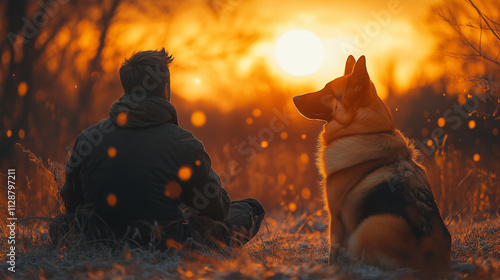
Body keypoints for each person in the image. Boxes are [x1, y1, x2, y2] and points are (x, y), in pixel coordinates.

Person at [49, 49, 265, 249]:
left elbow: (72, 203)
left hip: (97, 239)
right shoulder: (185, 144)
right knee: (250, 210)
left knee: (62, 224)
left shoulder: (88, 138)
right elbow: (217, 210)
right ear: (165, 89)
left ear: (127, 87)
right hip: (165, 243)